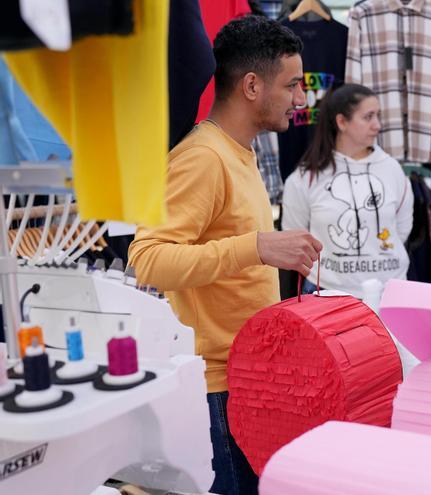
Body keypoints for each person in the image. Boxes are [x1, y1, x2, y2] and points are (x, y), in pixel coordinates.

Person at [128, 16, 322, 495]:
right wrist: (256, 246)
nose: (302, 99)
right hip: (215, 391)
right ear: (252, 85)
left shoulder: (240, 151)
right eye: (292, 84)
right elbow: (147, 258)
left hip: (247, 381)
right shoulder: (203, 157)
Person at [281, 84, 413, 299]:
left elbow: (403, 228)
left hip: (390, 294)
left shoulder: (392, 169)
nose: (377, 125)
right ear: (341, 122)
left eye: (378, 116)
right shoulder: (306, 178)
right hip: (328, 296)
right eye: (368, 117)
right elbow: (294, 238)